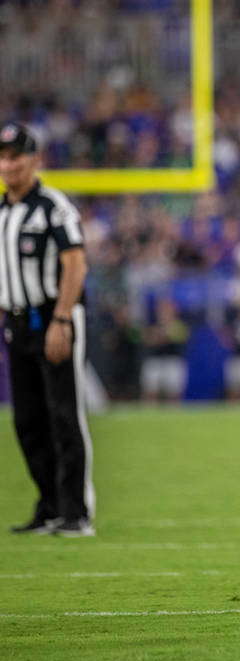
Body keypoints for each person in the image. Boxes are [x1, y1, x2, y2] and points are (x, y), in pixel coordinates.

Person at [0, 122, 96, 537]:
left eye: (16, 156)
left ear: (35, 159)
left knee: (63, 415)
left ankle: (76, 512)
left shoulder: (54, 206)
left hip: (53, 317)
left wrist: (61, 318)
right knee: (27, 420)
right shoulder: (3, 212)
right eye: (3, 157)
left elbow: (75, 264)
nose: (8, 165)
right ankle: (49, 506)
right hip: (16, 322)